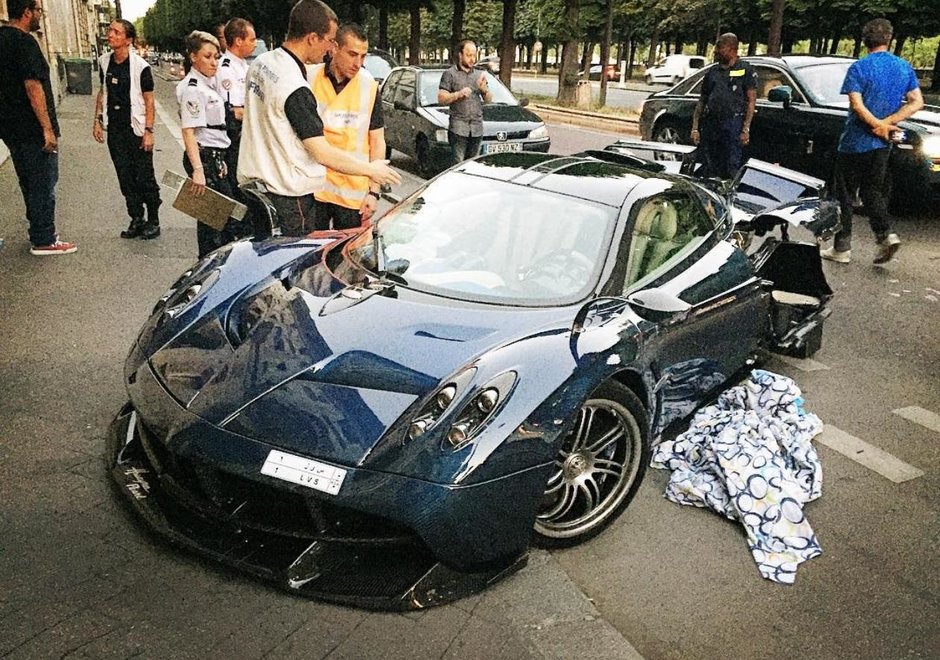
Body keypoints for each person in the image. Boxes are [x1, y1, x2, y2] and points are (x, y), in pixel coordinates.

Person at [238, 0, 400, 237]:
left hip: (260, 187)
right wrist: (371, 170)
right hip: (289, 196)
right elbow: (321, 151)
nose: (329, 48)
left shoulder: (262, 64)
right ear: (312, 38)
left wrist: (372, 191)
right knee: (296, 265)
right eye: (329, 40)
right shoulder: (296, 85)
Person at [821, 18, 924, 265]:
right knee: (872, 190)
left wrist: (875, 124)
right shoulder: (903, 67)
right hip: (882, 144)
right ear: (889, 39)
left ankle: (842, 247)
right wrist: (887, 124)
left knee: (843, 193)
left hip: (854, 142)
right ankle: (885, 235)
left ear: (865, 40)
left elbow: (856, 104)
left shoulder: (859, 68)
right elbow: (916, 101)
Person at [0, 0, 76, 255]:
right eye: (38, 11)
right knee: (44, 182)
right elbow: (33, 87)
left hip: (11, 129)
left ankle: (38, 231)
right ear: (26, 13)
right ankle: (44, 238)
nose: (40, 17)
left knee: (28, 182)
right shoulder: (25, 42)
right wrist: (47, 128)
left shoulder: (1, 40)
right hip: (33, 129)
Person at [176, 30, 249, 258]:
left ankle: (216, 265)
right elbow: (188, 131)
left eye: (216, 56)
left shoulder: (208, 84)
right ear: (193, 57)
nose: (214, 62)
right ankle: (206, 271)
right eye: (207, 56)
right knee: (212, 224)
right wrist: (198, 170)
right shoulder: (193, 89)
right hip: (205, 158)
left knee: (224, 219)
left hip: (217, 156)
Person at [311, 23, 386, 230]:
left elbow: (377, 140)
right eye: (352, 54)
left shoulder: (369, 86)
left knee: (346, 257)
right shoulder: (310, 78)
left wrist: (374, 191)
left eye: (363, 56)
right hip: (314, 188)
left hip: (352, 191)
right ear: (335, 48)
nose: (358, 63)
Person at [93, 20, 162, 239]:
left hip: (137, 129)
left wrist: (149, 131)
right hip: (116, 129)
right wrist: (97, 120)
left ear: (128, 40)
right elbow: (102, 92)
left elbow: (149, 101)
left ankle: (153, 220)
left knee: (144, 176)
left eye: (116, 32)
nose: (110, 35)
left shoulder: (141, 67)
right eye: (110, 31)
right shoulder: (105, 62)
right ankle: (136, 218)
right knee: (125, 176)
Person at [690, 33, 756, 179]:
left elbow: (751, 100)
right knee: (709, 164)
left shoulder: (745, 70)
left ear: (732, 48)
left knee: (731, 165)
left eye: (720, 47)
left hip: (733, 124)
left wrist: (746, 128)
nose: (716, 50)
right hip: (712, 123)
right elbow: (702, 100)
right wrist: (695, 128)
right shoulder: (713, 72)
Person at [215, 18, 256, 185]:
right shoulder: (226, 69)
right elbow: (235, 111)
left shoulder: (245, 66)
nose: (255, 44)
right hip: (235, 139)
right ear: (238, 41)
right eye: (252, 40)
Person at [437, 39, 492, 163]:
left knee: (473, 165)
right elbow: (441, 98)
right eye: (468, 55)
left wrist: (484, 90)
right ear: (460, 55)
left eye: (474, 55)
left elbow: (488, 100)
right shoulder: (449, 74)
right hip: (458, 128)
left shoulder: (479, 74)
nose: (472, 59)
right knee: (458, 164)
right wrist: (458, 94)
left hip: (477, 128)